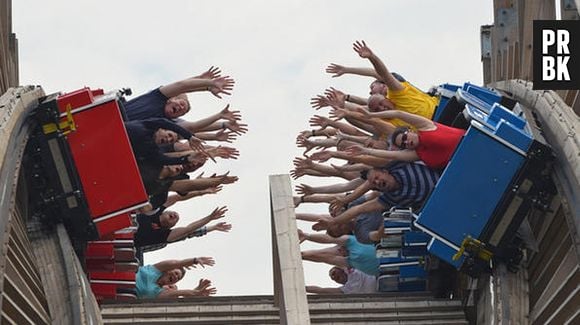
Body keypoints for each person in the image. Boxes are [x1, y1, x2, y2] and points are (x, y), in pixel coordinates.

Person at [312, 162, 440, 232]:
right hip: (438, 202)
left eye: (377, 178)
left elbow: (367, 159)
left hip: (446, 178)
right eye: (374, 183)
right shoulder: (390, 198)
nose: (378, 182)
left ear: (385, 171)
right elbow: (358, 209)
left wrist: (346, 199)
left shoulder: (398, 165)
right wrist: (333, 222)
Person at [345, 109, 466, 170]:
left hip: (472, 144)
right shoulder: (417, 154)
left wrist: (372, 115)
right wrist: (365, 151)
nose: (406, 142)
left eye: (404, 138)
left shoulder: (425, 127)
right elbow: (391, 156)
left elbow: (399, 114)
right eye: (403, 145)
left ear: (410, 131)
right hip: (463, 165)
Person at [124, 66, 234, 121]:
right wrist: (209, 84)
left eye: (182, 112)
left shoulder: (166, 122)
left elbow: (192, 127)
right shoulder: (157, 97)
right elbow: (182, 86)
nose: (180, 108)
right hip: (115, 114)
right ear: (171, 99)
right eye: (181, 104)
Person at [134, 207, 232, 250]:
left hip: (124, 240)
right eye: (173, 213)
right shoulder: (152, 210)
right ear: (164, 212)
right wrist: (200, 189)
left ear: (171, 227)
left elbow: (188, 230)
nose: (175, 215)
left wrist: (209, 218)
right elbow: (178, 196)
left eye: (176, 220)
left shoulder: (163, 235)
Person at [299, 230, 379, 276]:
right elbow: (326, 258)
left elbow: (329, 239)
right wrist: (302, 256)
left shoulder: (353, 241)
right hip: (386, 270)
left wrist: (307, 236)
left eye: (339, 249)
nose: (339, 252)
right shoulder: (351, 262)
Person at [135, 257, 216, 298]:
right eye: (176, 273)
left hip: (124, 293)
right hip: (125, 275)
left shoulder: (159, 292)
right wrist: (194, 260)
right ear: (169, 270)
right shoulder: (155, 269)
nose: (176, 277)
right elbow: (177, 263)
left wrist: (197, 292)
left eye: (178, 278)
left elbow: (180, 293)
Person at [306, 267, 377, 294]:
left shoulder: (353, 267)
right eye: (332, 278)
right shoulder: (345, 289)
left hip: (380, 276)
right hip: (382, 290)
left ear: (341, 270)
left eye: (333, 273)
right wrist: (303, 289)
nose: (333, 277)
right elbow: (321, 290)